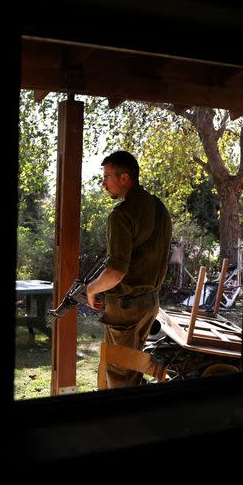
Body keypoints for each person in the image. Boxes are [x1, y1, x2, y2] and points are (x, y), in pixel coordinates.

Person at [86, 151, 172, 388]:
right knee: (132, 365)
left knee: (120, 373)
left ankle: (121, 424)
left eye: (107, 177)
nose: (103, 183)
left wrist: (91, 290)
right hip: (150, 304)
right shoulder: (159, 207)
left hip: (127, 308)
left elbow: (115, 273)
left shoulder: (121, 215)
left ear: (124, 178)